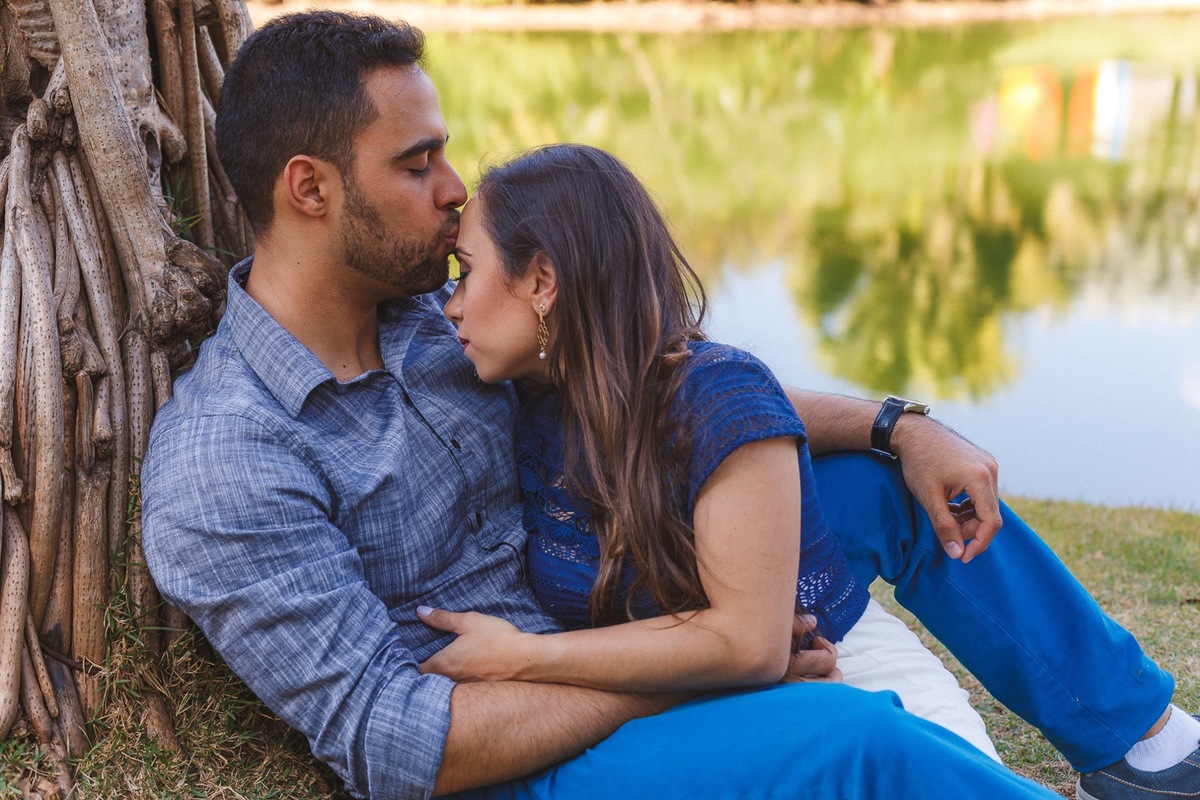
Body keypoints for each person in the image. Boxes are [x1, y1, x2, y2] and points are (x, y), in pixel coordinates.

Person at [139, 10, 1198, 800]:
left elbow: (661, 381)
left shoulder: (433, 315)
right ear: (309, 189)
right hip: (533, 751)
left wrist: (897, 423)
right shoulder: (227, 458)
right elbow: (396, 742)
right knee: (852, 740)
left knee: (873, 490)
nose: (456, 188)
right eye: (418, 164)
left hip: (603, 607)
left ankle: (1140, 742)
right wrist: (710, 668)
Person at [429, 141, 998, 759]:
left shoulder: (715, 390)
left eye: (465, 272)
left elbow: (750, 643)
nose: (450, 305)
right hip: (698, 709)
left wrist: (524, 657)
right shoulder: (526, 396)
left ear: (542, 281)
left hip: (836, 669)